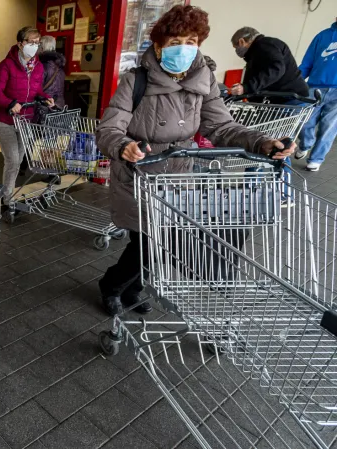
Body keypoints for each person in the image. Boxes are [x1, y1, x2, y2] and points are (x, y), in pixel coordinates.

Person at [95, 6, 295, 317]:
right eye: (176, 41)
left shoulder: (204, 80)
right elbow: (109, 128)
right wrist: (123, 146)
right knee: (148, 243)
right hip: (140, 175)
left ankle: (128, 286)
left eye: (192, 40)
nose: (185, 48)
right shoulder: (136, 81)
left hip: (177, 177)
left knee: (159, 242)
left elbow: (221, 127)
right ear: (159, 45)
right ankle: (114, 285)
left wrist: (261, 142)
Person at [0, 26, 54, 208]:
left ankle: (7, 193)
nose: (34, 46)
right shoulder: (7, 65)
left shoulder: (38, 67)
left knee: (18, 161)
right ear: (20, 44)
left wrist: (44, 97)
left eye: (37, 42)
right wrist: (10, 103)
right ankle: (7, 198)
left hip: (26, 120)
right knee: (12, 160)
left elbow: (36, 90)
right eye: (30, 42)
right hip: (6, 121)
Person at [294, 19, 337, 172]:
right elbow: (307, 62)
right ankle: (305, 144)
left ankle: (316, 159)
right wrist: (296, 82)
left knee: (328, 128)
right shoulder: (323, 36)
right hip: (315, 87)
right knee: (304, 121)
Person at [230, 27, 309, 104]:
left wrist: (247, 87)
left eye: (236, 47)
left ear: (242, 41)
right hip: (284, 98)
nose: (236, 50)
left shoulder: (264, 45)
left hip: (289, 99)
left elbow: (277, 69)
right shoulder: (256, 51)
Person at [38, 35, 66, 110]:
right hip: (59, 106)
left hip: (45, 106)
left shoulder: (42, 65)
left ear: (42, 47)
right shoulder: (59, 65)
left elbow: (37, 88)